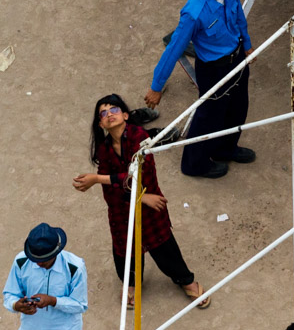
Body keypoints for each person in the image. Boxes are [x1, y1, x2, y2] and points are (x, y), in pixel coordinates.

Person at [73, 94, 210, 308]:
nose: (109, 115)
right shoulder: (104, 148)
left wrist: (97, 179)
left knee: (164, 246)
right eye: (103, 113)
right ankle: (131, 283)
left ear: (125, 115)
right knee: (125, 250)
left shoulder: (139, 137)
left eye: (114, 110)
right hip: (121, 209)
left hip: (150, 208)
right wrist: (138, 196)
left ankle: (186, 280)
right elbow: (112, 187)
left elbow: (138, 175)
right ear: (100, 124)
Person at [146, 0, 255, 179]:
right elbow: (174, 49)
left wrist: (247, 45)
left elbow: (239, 18)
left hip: (237, 60)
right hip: (214, 70)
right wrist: (157, 87)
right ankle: (194, 164)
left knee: (238, 107)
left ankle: (225, 149)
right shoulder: (194, 13)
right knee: (208, 117)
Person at [2, 223, 89, 330]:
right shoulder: (21, 262)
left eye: (43, 260)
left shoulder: (74, 267)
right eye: (35, 259)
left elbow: (80, 304)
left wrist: (53, 301)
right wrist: (16, 305)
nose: (38, 263)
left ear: (56, 252)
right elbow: (10, 294)